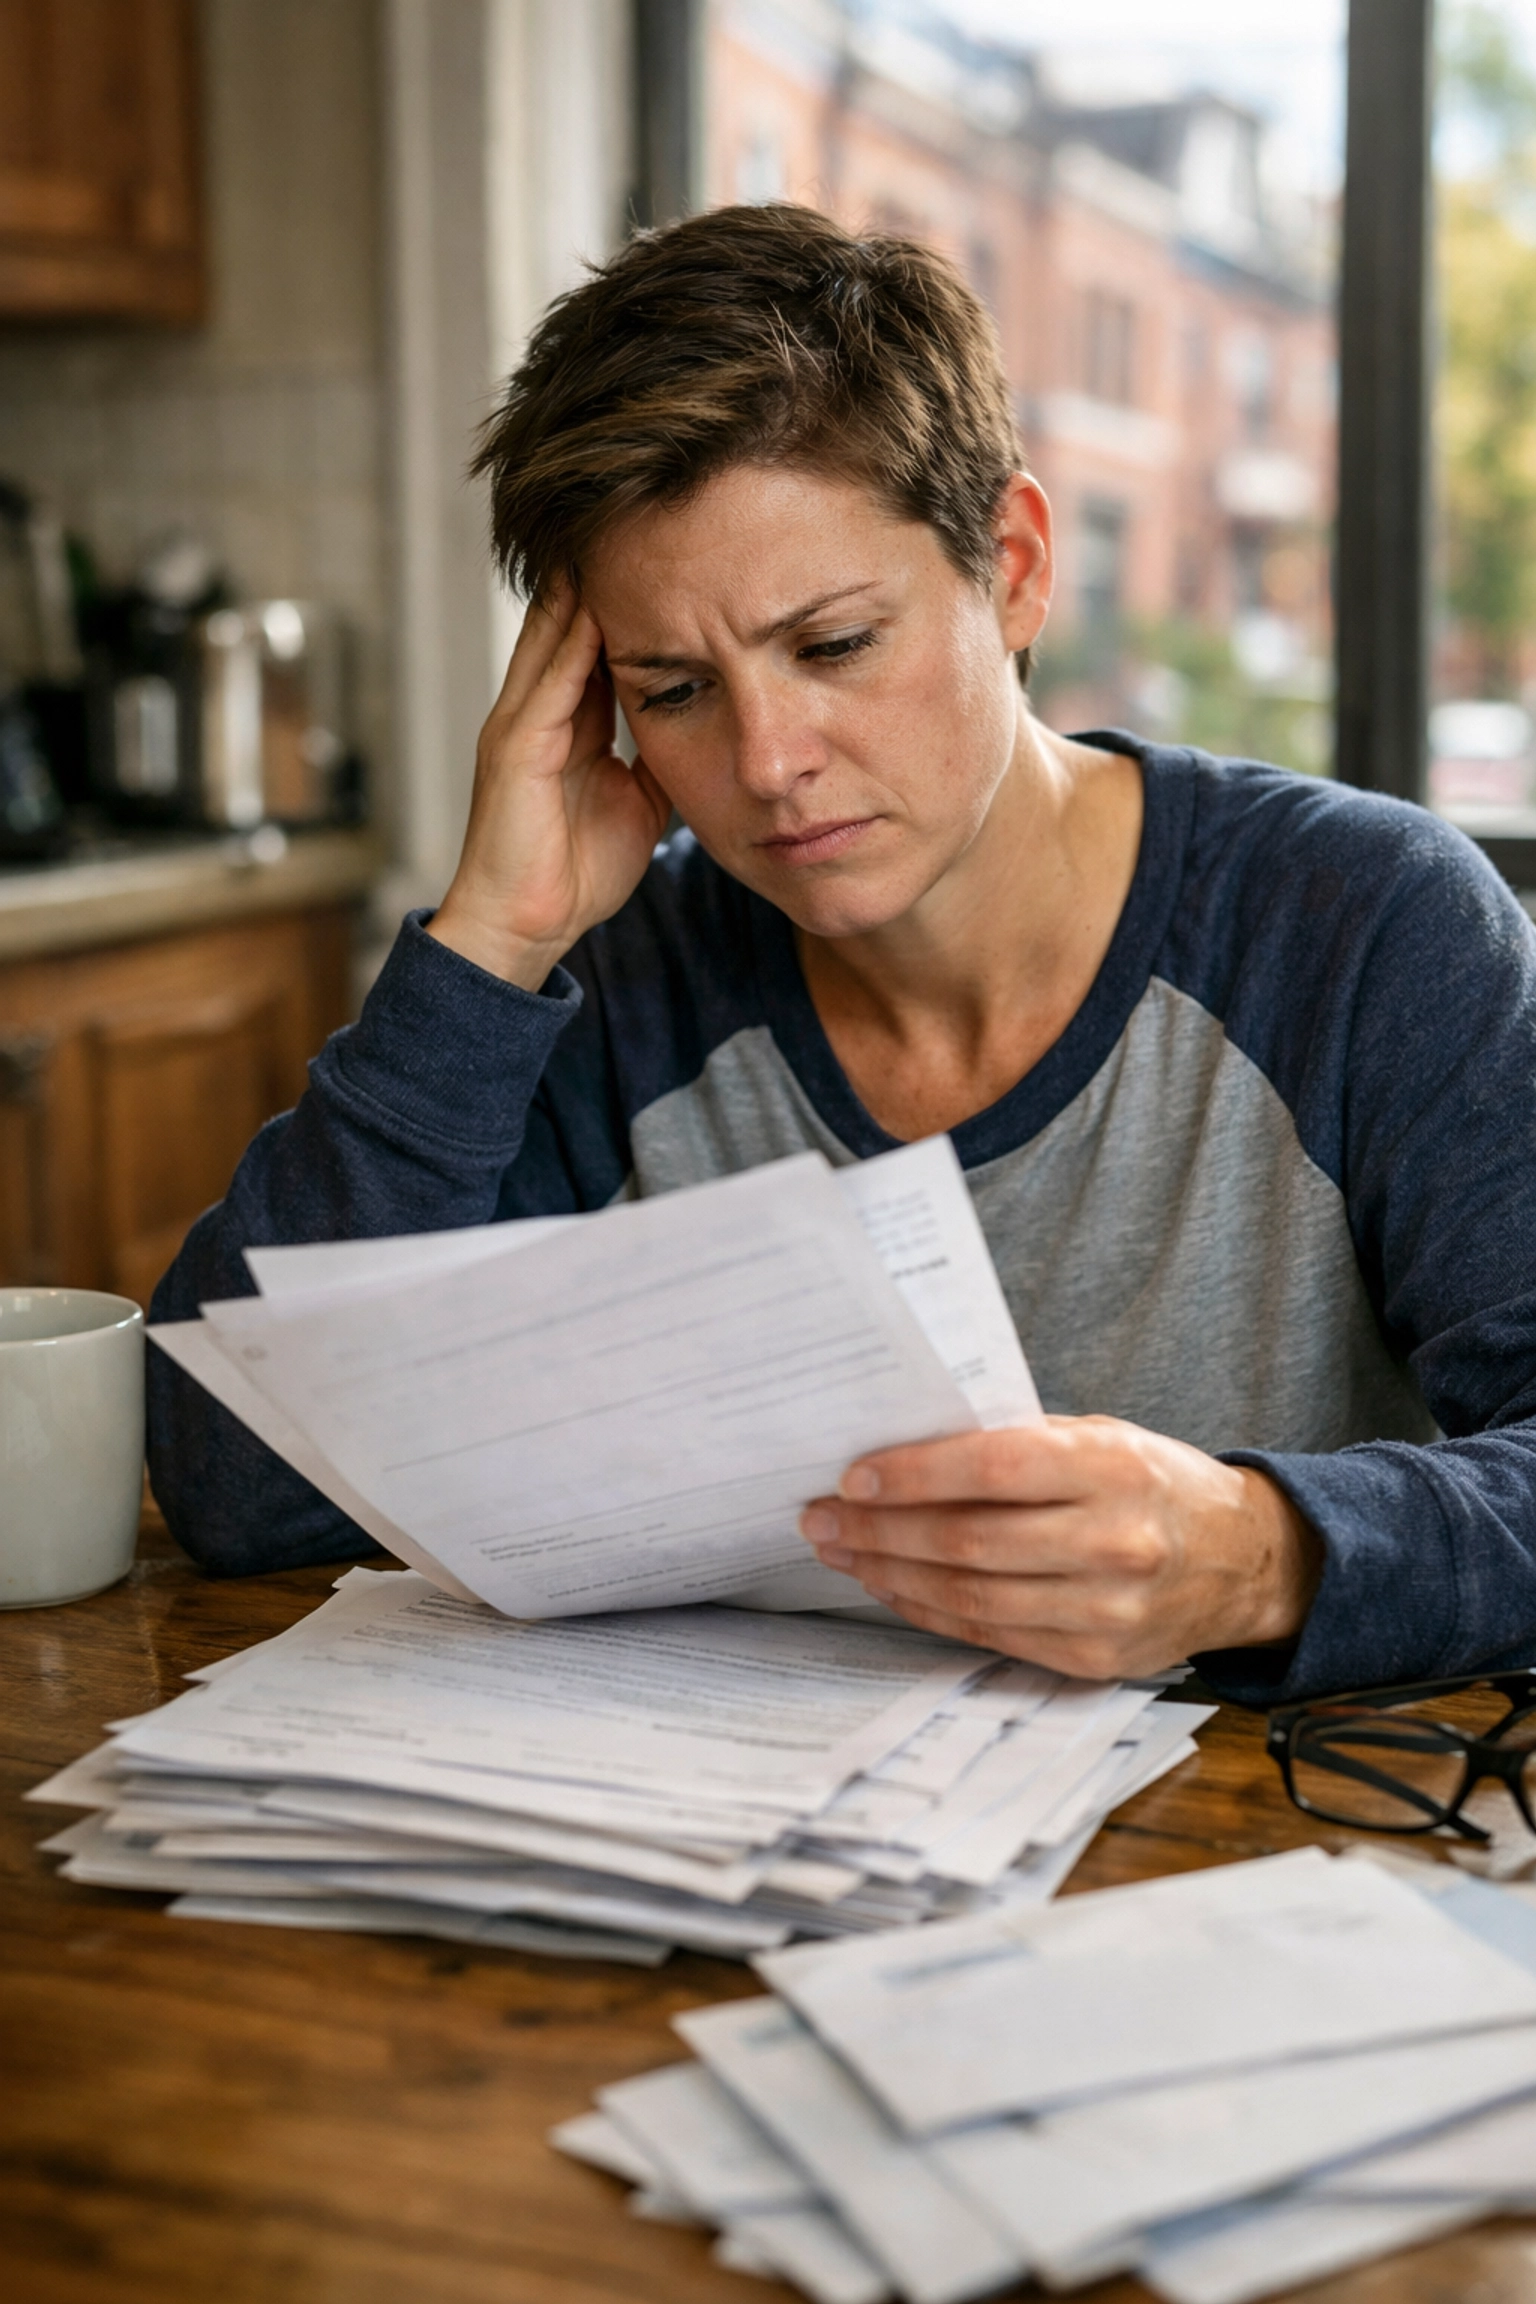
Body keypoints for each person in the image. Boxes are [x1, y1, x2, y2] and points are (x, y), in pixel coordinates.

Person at [149, 203, 1536, 1705]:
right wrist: (491, 945)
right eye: (673, 687)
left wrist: (1264, 1552)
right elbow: (244, 1492)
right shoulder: (622, 986)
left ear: (1010, 566)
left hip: (1270, 1871)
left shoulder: (1365, 927)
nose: (765, 761)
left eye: (829, 647)